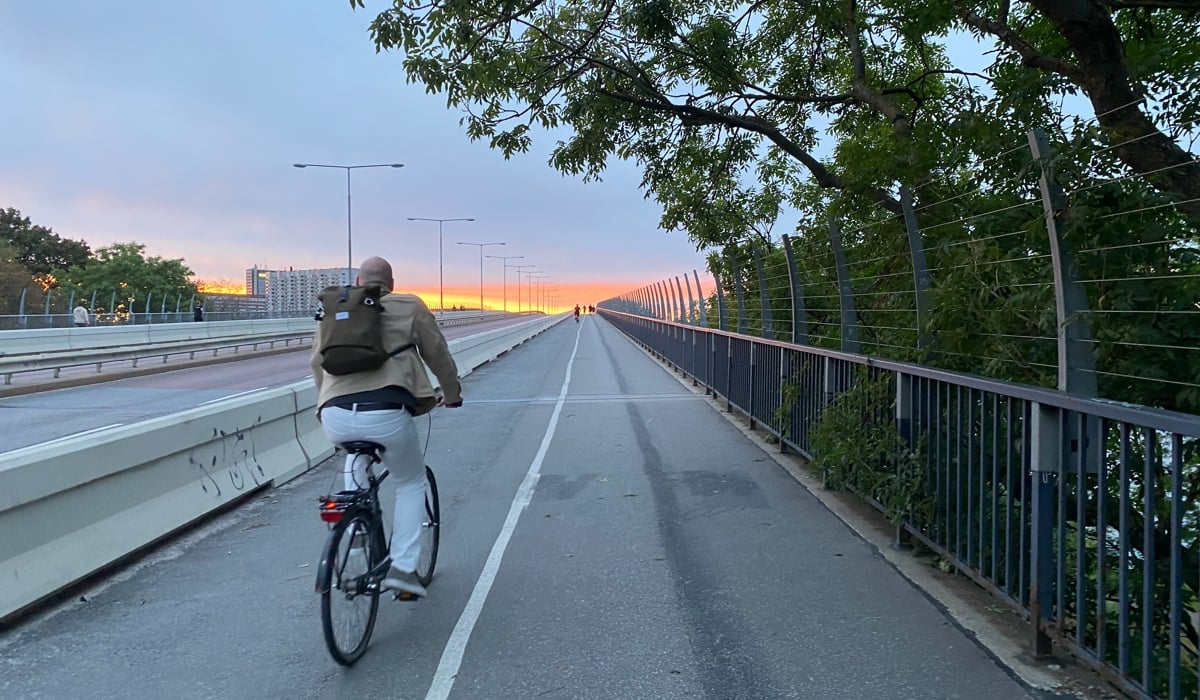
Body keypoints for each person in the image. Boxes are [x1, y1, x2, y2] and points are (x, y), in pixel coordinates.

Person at [311, 256, 463, 599]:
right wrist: (451, 394)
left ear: (360, 281)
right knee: (410, 481)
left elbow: (316, 362)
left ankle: (356, 523)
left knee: (355, 453)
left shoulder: (337, 308)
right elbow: (437, 353)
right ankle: (404, 570)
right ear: (390, 282)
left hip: (335, 411)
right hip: (386, 409)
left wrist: (325, 405)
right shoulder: (408, 305)